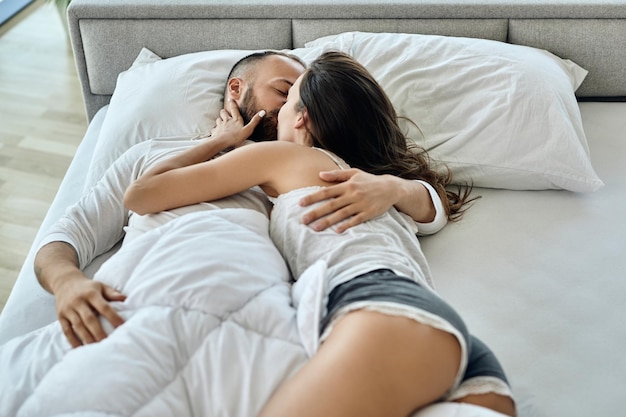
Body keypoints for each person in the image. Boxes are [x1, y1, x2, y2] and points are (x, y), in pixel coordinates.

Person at [123, 51, 516, 417]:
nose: (277, 113)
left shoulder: (288, 159)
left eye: (288, 98)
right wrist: (395, 187)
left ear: (302, 117)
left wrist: (220, 141)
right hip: (449, 337)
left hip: (382, 312)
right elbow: (434, 213)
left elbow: (140, 195)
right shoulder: (368, 181)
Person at [34, 50, 442, 348]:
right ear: (236, 89)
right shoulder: (152, 154)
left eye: (296, 100)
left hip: (255, 312)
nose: (288, 108)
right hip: (158, 275)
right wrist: (68, 283)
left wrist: (392, 186)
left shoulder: (320, 166)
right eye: (283, 91)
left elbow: (428, 212)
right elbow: (71, 231)